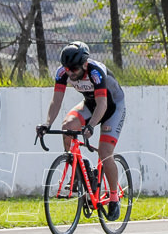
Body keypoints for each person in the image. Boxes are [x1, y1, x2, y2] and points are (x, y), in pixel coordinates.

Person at [37, 41, 126, 221]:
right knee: (67, 128)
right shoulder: (63, 72)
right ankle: (78, 171)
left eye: (74, 69)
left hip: (112, 107)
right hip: (90, 104)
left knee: (104, 152)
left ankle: (114, 198)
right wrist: (47, 123)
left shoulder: (95, 72)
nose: (70, 72)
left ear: (84, 64)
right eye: (67, 69)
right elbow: (56, 101)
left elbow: (103, 104)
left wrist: (91, 126)